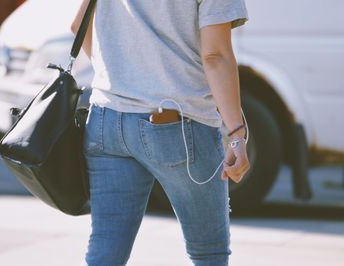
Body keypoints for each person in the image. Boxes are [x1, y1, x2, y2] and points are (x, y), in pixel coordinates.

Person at [71, 0, 250, 265]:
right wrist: (237, 133)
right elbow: (216, 55)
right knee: (208, 253)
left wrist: (123, 79)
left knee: (105, 252)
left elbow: (79, 26)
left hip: (107, 118)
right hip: (180, 121)